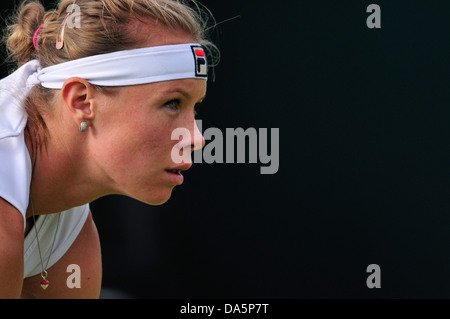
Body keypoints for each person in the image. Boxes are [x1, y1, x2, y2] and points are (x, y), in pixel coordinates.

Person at [0, 0, 217, 298]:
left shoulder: (70, 235)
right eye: (172, 103)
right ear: (81, 102)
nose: (195, 138)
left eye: (194, 108)